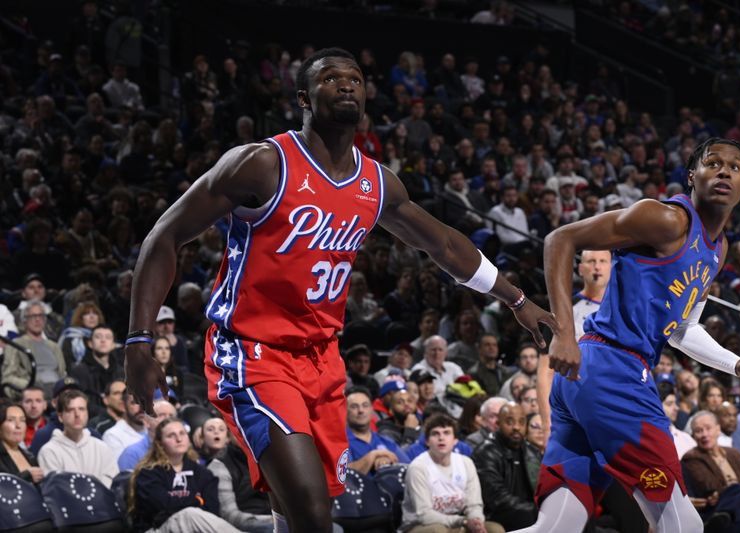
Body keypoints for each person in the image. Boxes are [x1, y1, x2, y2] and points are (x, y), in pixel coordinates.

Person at [125, 47, 555, 533]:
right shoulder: (262, 163)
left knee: (298, 514)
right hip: (254, 351)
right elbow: (164, 234)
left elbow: (446, 246)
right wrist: (140, 339)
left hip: (322, 359)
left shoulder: (376, 182)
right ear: (305, 98)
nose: (347, 84)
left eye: (354, 78)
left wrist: (517, 299)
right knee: (312, 512)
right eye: (331, 79)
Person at [527, 138, 740, 533]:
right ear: (691, 176)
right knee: (684, 526)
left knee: (556, 528)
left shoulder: (718, 250)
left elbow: (682, 329)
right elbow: (560, 239)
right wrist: (563, 331)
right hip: (615, 370)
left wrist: (739, 366)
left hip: (587, 381)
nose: (723, 171)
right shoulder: (666, 219)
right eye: (712, 163)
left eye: (735, 168)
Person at [130, 417, 240, 533]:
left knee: (192, 515)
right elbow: (162, 506)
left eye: (182, 433)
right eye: (171, 435)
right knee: (189, 514)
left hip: (194, 527)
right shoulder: (149, 474)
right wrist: (198, 500)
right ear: (160, 443)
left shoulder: (203, 473)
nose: (178, 439)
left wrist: (180, 503)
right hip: (156, 529)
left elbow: (212, 511)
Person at [399, 413, 504, 533]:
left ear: (455, 440)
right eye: (435, 433)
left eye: (446, 433)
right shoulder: (418, 467)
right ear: (427, 441)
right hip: (420, 526)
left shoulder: (466, 463)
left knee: (496, 529)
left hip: (456, 522)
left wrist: (476, 521)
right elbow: (425, 515)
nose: (441, 438)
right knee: (438, 530)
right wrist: (462, 521)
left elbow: (474, 504)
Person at [473, 403, 538, 530]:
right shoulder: (485, 453)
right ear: (498, 424)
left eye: (521, 422)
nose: (516, 427)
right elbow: (496, 499)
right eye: (509, 422)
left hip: (528, 513)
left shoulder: (532, 452)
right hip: (497, 515)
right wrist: (534, 511)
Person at [37, 389, 118, 488]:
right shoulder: (49, 451)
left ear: (87, 413)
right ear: (60, 416)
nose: (77, 415)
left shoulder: (102, 448)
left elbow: (113, 483)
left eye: (81, 409)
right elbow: (55, 490)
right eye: (70, 410)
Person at [2, 300, 67, 399]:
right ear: (24, 320)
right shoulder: (16, 344)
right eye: (33, 316)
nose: (37, 320)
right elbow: (8, 377)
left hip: (57, 391)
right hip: (34, 392)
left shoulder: (54, 346)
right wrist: (31, 385)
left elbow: (62, 374)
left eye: (41, 316)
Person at [345, 386, 409, 475]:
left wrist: (389, 461)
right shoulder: (342, 443)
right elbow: (344, 476)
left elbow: (408, 467)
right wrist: (373, 456)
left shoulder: (386, 441)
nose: (361, 410)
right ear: (345, 411)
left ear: (372, 409)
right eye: (354, 406)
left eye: (365, 405)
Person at [69, 325, 124, 416]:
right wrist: (106, 414)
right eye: (98, 337)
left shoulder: (121, 371)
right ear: (90, 343)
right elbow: (80, 400)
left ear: (113, 345)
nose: (103, 340)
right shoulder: (79, 371)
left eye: (108, 337)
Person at [118, 399, 177, 471]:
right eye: (161, 415)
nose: (167, 419)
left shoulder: (181, 449)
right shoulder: (132, 454)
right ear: (146, 422)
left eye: (171, 416)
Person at [0, 400, 43, 484]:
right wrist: (26, 477)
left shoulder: (30, 456)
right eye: (10, 420)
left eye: (22, 420)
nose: (18, 425)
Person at [572, 250, 612, 338]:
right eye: (591, 261)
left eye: (603, 261)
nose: (597, 267)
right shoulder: (565, 306)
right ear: (580, 269)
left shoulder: (620, 310)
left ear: (611, 268)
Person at [103, 389, 146, 460]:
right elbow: (121, 468)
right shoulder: (112, 436)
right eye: (134, 402)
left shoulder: (155, 430)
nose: (141, 408)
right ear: (123, 406)